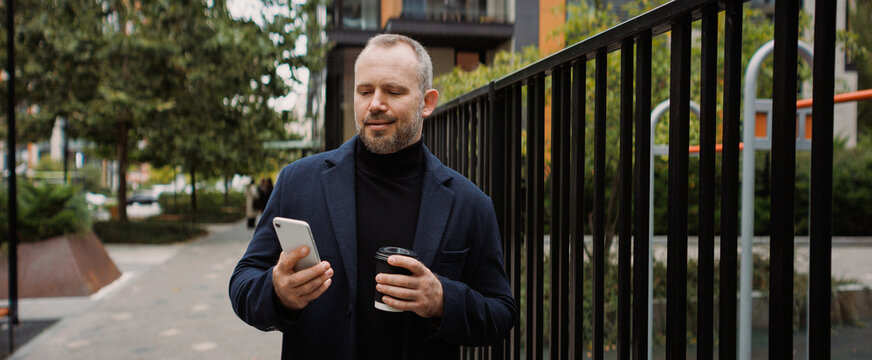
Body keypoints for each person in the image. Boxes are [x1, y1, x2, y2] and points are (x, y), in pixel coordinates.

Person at [229, 34, 516, 359]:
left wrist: (442, 299)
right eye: (364, 91)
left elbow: (501, 314)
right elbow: (243, 283)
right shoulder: (297, 181)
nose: (375, 103)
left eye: (393, 91)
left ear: (427, 102)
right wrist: (277, 291)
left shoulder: (470, 203)